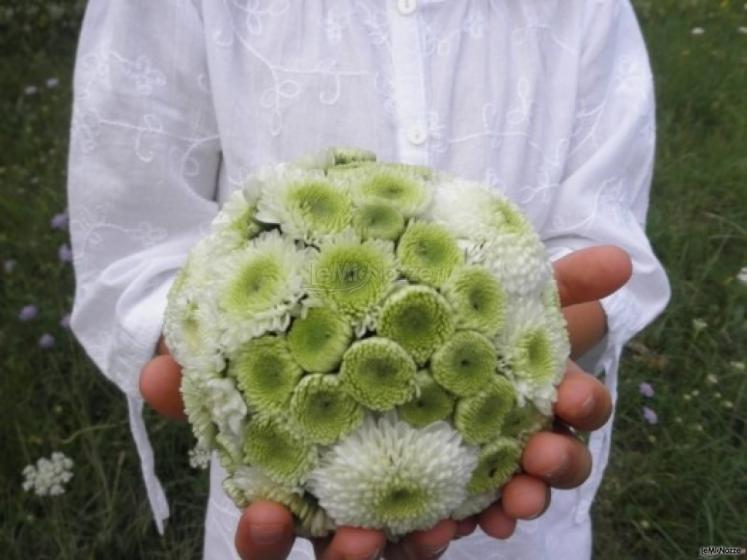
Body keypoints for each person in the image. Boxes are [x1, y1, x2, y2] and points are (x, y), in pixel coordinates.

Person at [66, 1, 670, 558]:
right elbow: (132, 241)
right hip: (284, 482)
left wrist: (542, 346)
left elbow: (603, 241)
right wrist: (211, 362)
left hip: (507, 468)